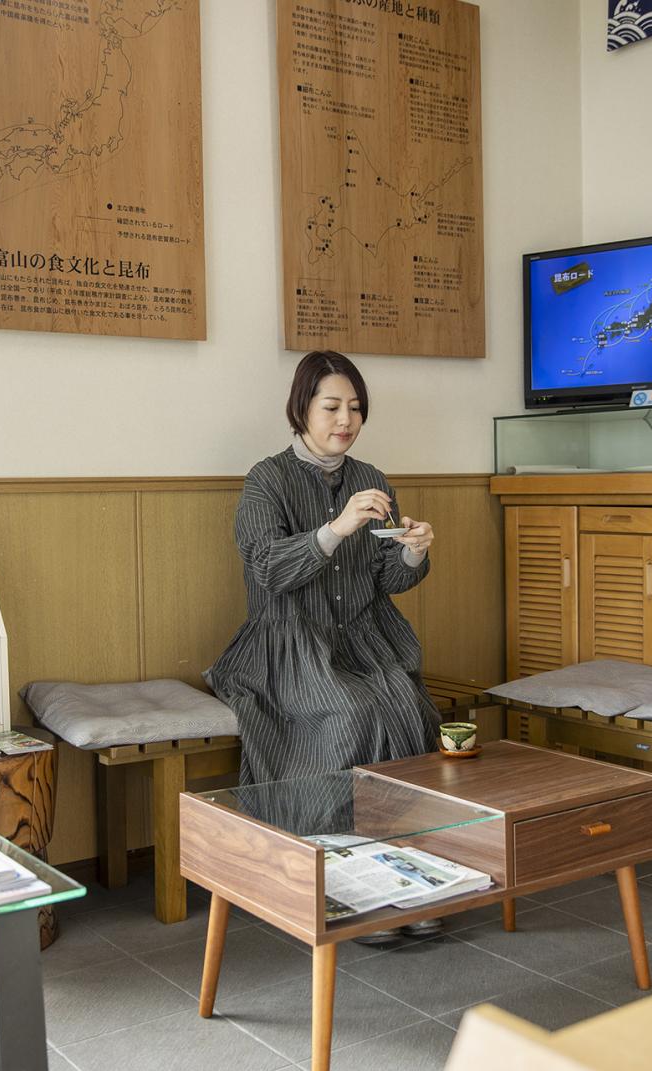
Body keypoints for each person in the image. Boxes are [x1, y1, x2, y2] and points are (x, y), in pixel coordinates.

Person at [206, 350, 442, 943]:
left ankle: (407, 877)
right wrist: (336, 529)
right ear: (301, 408)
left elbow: (388, 578)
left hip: (364, 639)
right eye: (332, 406)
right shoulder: (268, 478)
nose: (346, 419)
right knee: (349, 712)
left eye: (355, 408)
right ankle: (340, 888)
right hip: (287, 642)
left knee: (412, 710)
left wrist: (413, 549)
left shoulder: (372, 478)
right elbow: (266, 569)